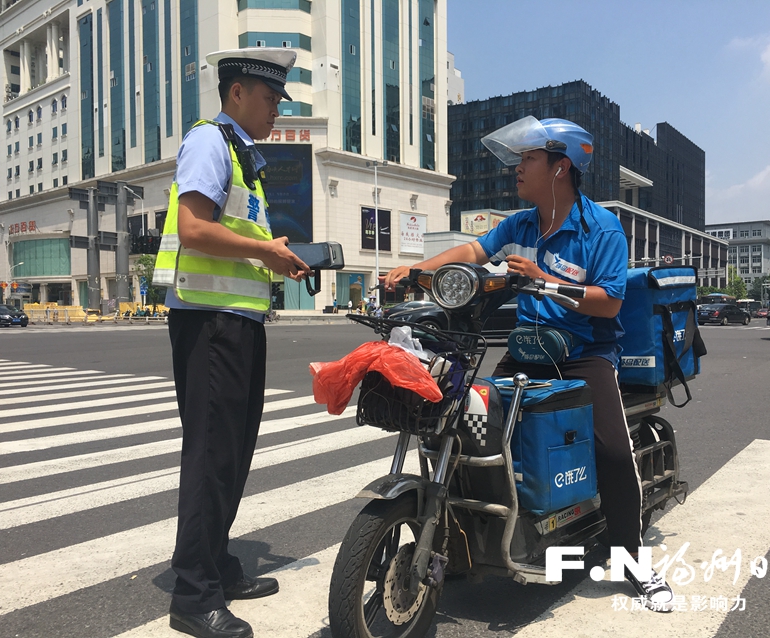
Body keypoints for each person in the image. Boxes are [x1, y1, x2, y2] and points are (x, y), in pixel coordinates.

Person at [384, 116, 675, 612]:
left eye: (529, 160)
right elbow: (473, 250)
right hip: (526, 350)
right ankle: (461, 541)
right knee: (472, 430)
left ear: (560, 168)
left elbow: (607, 302)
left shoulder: (599, 227)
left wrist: (542, 279)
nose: (518, 170)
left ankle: (632, 560)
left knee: (610, 450)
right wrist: (416, 269)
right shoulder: (519, 224)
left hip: (585, 355)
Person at [152, 47, 312, 638]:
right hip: (209, 323)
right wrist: (266, 250)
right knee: (211, 455)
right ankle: (193, 595)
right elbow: (193, 228)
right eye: (270, 99)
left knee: (232, 452)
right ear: (238, 92)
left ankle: (215, 563)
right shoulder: (209, 143)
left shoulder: (244, 157)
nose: (276, 110)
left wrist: (277, 259)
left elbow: (232, 238)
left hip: (237, 321)